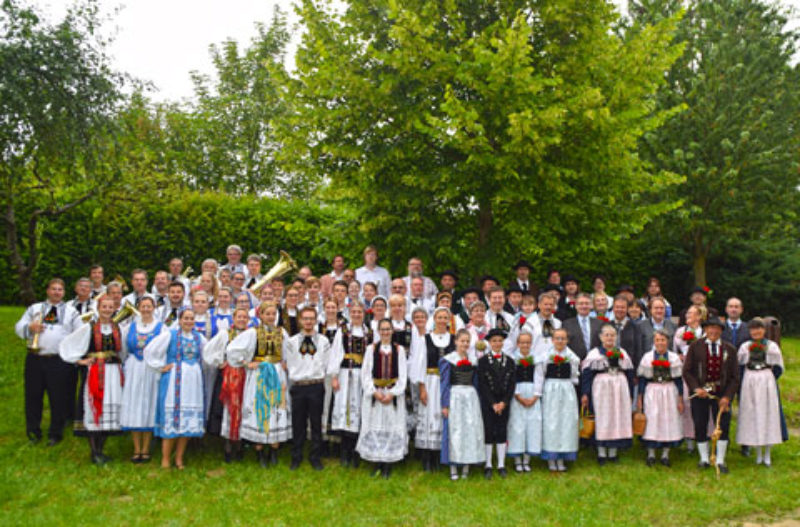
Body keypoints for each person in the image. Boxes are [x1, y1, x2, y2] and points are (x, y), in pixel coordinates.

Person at [59, 295, 124, 464]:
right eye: (104, 307)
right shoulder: (89, 328)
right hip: (96, 372)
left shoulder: (118, 327)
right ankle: (94, 452)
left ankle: (101, 451)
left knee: (109, 409)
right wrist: (80, 360)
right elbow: (68, 345)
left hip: (113, 373)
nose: (107, 310)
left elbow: (123, 351)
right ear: (98, 307)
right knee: (95, 407)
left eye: (110, 307)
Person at [226, 303, 291, 467]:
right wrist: (246, 363)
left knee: (277, 408)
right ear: (260, 315)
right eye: (267, 313)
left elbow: (290, 351)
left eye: (273, 313)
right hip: (259, 374)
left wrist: (286, 362)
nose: (271, 316)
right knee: (259, 409)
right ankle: (260, 450)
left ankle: (274, 449)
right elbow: (233, 349)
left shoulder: (281, 332)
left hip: (277, 373)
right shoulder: (252, 333)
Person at [15, 278, 77, 446]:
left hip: (58, 360)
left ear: (64, 293)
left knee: (58, 398)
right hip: (35, 359)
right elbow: (18, 326)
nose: (57, 292)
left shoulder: (71, 311)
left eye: (60, 290)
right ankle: (33, 432)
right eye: (53, 289)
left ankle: (55, 434)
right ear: (47, 291)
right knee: (33, 397)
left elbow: (79, 333)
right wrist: (30, 327)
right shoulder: (34, 308)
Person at [683, 316, 739, 473]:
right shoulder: (695, 347)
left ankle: (720, 460)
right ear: (705, 330)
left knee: (722, 425)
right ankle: (704, 459)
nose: (713, 331)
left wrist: (727, 397)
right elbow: (687, 372)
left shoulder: (730, 349)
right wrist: (695, 389)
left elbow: (735, 377)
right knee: (700, 423)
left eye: (717, 328)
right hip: (701, 394)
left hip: (721, 395)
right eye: (710, 328)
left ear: (721, 331)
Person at [356, 318, 409, 478]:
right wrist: (374, 392)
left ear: (392, 331)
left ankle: (388, 463)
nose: (386, 332)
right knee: (374, 425)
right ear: (379, 331)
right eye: (383, 329)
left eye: (388, 329)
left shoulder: (399, 350)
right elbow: (365, 374)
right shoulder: (371, 349)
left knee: (391, 426)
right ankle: (376, 461)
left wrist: (393, 393)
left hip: (392, 394)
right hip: (376, 395)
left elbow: (403, 376)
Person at [285, 306, 332, 471]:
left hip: (316, 385)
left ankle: (315, 457)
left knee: (316, 423)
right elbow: (289, 363)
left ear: (316, 320)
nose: (308, 321)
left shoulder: (323, 341)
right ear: (300, 320)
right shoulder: (291, 342)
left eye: (311, 318)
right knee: (298, 423)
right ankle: (296, 456)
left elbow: (326, 363)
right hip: (299, 386)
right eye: (305, 318)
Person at [581, 324, 635, 465]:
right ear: (600, 337)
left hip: (619, 388)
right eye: (606, 335)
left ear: (616, 337)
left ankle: (613, 453)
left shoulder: (622, 352)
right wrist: (585, 393)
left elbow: (629, 374)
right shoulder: (594, 354)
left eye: (612, 335)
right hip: (601, 388)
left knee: (617, 417)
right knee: (603, 417)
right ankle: (601, 453)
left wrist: (630, 392)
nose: (610, 338)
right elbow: (586, 375)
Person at [736, 317, 786, 466]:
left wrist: (768, 378)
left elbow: (778, 367)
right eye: (753, 329)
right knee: (752, 414)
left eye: (759, 328)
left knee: (767, 414)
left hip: (765, 380)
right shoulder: (745, 347)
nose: (756, 332)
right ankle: (757, 453)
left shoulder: (771, 346)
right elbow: (739, 366)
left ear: (764, 330)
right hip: (749, 379)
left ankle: (767, 453)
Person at [328, 302, 373, 468]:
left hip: (362, 376)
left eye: (359, 312)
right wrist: (334, 375)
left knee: (359, 410)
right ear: (349, 313)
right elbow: (336, 352)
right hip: (345, 374)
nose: (356, 315)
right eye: (353, 312)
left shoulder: (369, 332)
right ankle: (344, 452)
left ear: (363, 314)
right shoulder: (343, 330)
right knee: (345, 410)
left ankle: (356, 451)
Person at [120, 296, 164, 463]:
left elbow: (163, 349)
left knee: (148, 403)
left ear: (154, 308)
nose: (146, 309)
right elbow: (123, 349)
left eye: (149, 306)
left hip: (151, 369)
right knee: (134, 403)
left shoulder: (161, 328)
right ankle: (136, 448)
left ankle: (146, 448)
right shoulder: (129, 327)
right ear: (138, 308)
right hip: (134, 368)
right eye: (143, 306)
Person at [203, 307, 250, 462]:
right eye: (239, 317)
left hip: (246, 376)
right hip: (228, 377)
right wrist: (219, 362)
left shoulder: (252, 334)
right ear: (233, 318)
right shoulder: (225, 334)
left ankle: (241, 443)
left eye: (245, 317)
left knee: (243, 408)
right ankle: (228, 445)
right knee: (228, 408)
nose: (242, 320)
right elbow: (208, 350)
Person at [411, 307, 453, 472]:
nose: (442, 320)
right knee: (428, 417)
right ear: (434, 319)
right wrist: (422, 388)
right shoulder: (425, 339)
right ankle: (427, 458)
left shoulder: (453, 339)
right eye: (439, 317)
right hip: (430, 381)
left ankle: (439, 457)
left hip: (446, 384)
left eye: (445, 317)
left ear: (449, 320)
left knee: (442, 417)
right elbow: (420, 364)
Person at [439, 329, 485, 481]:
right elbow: (444, 384)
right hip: (455, 396)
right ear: (456, 341)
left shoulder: (474, 360)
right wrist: (445, 404)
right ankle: (453, 466)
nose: (465, 344)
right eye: (462, 341)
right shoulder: (448, 360)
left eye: (467, 341)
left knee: (470, 430)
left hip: (471, 397)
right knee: (456, 430)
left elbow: (476, 382)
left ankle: (466, 465)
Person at [636, 331, 684, 467]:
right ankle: (651, 454)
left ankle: (665, 454)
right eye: (657, 340)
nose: (660, 343)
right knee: (652, 420)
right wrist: (640, 397)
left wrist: (680, 399)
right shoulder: (647, 357)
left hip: (669, 390)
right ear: (654, 342)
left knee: (668, 420)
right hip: (652, 390)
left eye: (663, 340)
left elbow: (679, 380)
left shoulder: (674, 358)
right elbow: (642, 379)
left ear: (667, 341)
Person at [477, 328, 516, 479]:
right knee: (488, 431)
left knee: (501, 431)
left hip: (503, 403)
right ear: (489, 343)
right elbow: (483, 384)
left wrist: (504, 402)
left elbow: (512, 384)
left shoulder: (510, 361)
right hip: (489, 402)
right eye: (494, 341)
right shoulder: (483, 361)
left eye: (500, 340)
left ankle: (501, 464)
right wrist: (493, 403)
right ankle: (488, 464)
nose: (497, 343)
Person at [540, 328, 580, 472]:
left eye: (563, 338)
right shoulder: (546, 356)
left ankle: (563, 457)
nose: (560, 341)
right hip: (551, 389)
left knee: (566, 423)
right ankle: (551, 458)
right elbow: (541, 374)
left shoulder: (572, 357)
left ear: (567, 341)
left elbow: (574, 376)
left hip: (566, 390)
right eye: (557, 338)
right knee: (552, 422)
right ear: (552, 340)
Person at [507, 331, 542, 473]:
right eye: (522, 342)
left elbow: (539, 377)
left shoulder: (537, 358)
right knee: (517, 426)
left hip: (532, 391)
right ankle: (517, 459)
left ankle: (527, 459)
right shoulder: (513, 359)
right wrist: (517, 395)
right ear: (518, 344)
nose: (525, 345)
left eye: (528, 342)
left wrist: (536, 396)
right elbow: (511, 378)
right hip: (518, 393)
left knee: (532, 425)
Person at [673, 304, 706, 452]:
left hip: (701, 372)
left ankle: (702, 437)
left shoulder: (704, 333)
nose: (688, 317)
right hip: (685, 371)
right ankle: (688, 440)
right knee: (686, 404)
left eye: (691, 314)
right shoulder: (680, 332)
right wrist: (678, 356)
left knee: (701, 405)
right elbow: (674, 351)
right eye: (687, 314)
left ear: (699, 316)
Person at [562, 293, 602, 361]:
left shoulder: (599, 323)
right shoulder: (566, 324)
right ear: (576, 306)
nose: (584, 306)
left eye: (586, 303)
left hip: (595, 363)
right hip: (574, 362)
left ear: (591, 306)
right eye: (581, 303)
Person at [610, 295, 645, 369]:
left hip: (629, 368)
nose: (619, 310)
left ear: (627, 309)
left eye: (622, 307)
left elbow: (638, 350)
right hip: (609, 368)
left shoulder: (635, 327)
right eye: (617, 307)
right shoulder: (606, 326)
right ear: (613, 308)